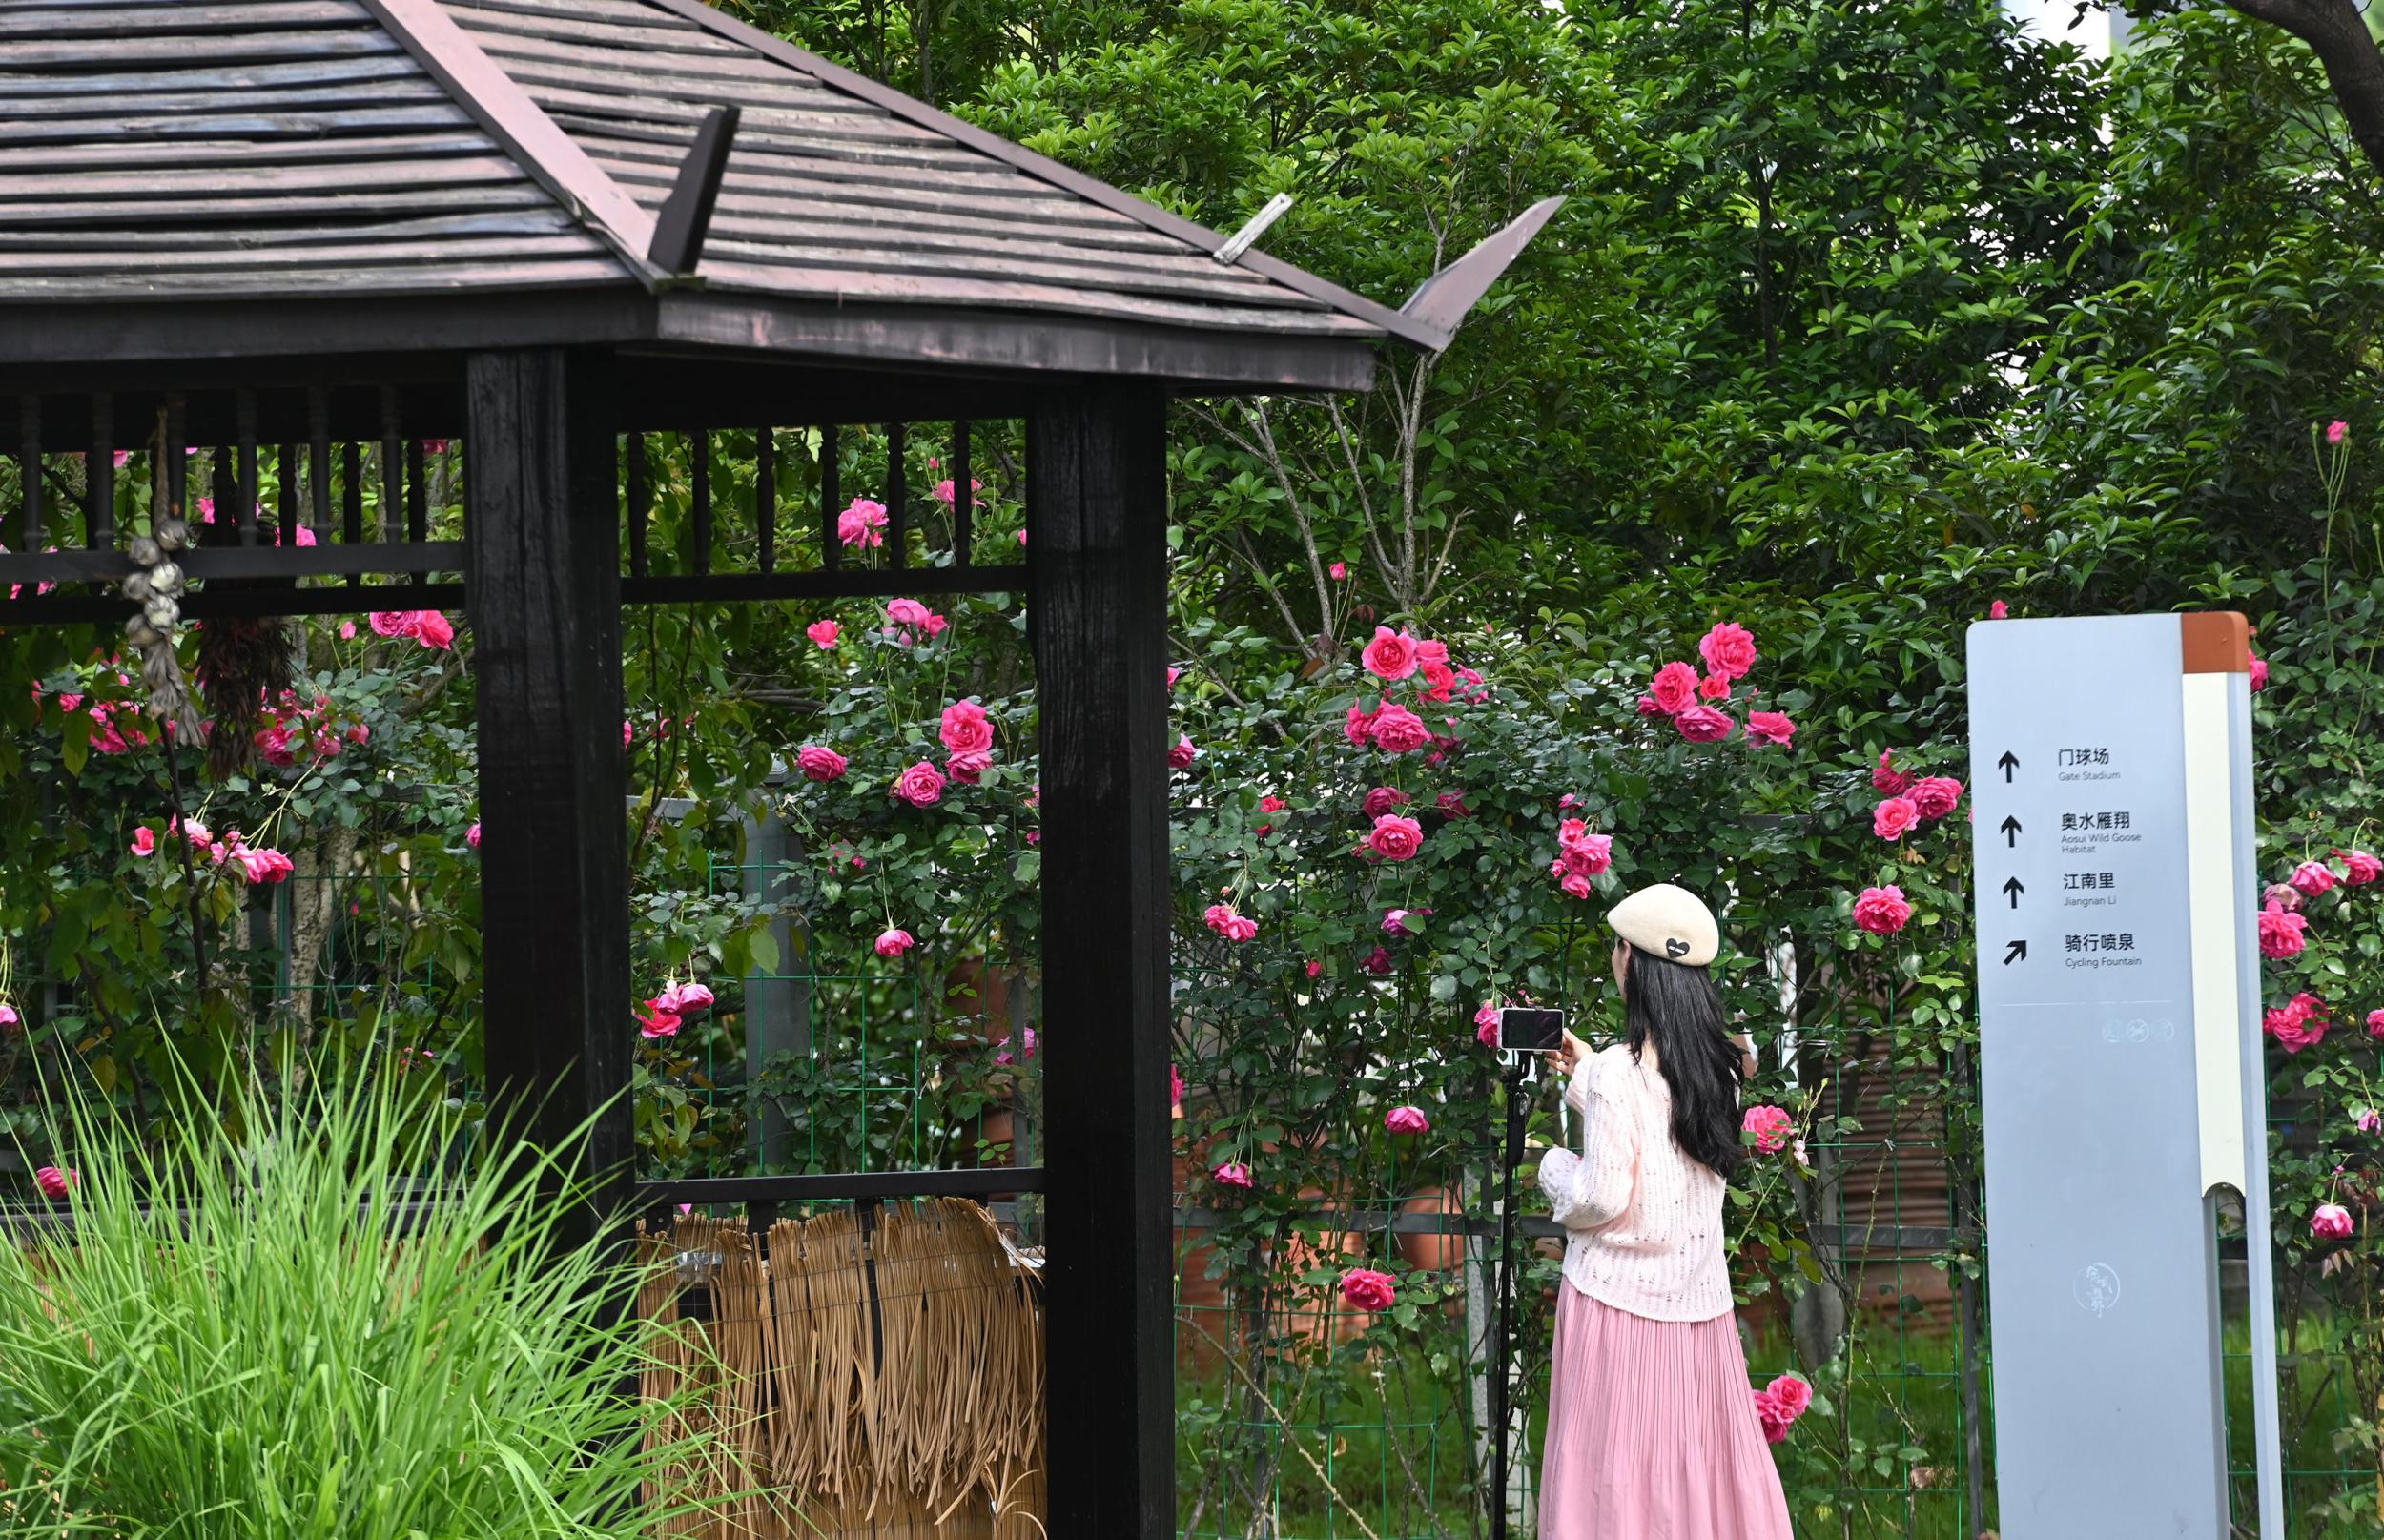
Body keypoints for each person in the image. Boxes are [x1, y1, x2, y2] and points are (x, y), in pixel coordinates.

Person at [1531, 881, 1792, 1539]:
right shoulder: (1723, 1069)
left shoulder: (1618, 1073)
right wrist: (1587, 1072)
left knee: (1614, 1475)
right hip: (1700, 1309)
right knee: (1695, 1469)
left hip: (1613, 1307)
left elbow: (1600, 1196)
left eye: (1617, 947)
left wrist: (1552, 1168)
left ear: (1632, 961)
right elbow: (1666, 1125)